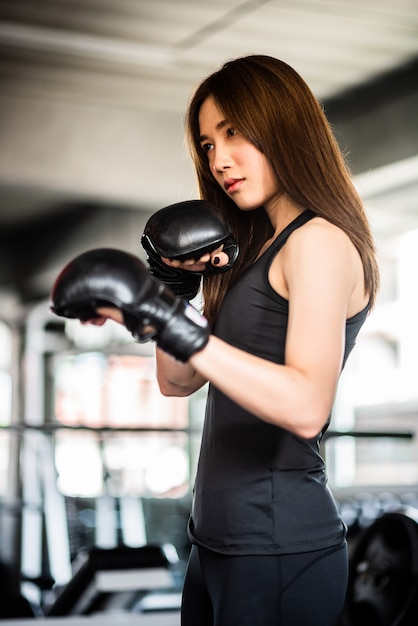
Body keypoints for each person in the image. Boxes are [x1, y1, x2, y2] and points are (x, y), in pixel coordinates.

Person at [86, 55, 380, 625]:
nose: (219, 159)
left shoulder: (317, 242)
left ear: (284, 127)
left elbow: (305, 407)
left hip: (277, 545)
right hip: (216, 544)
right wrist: (175, 290)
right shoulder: (252, 252)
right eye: (207, 145)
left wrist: (161, 317)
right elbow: (176, 381)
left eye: (233, 133)